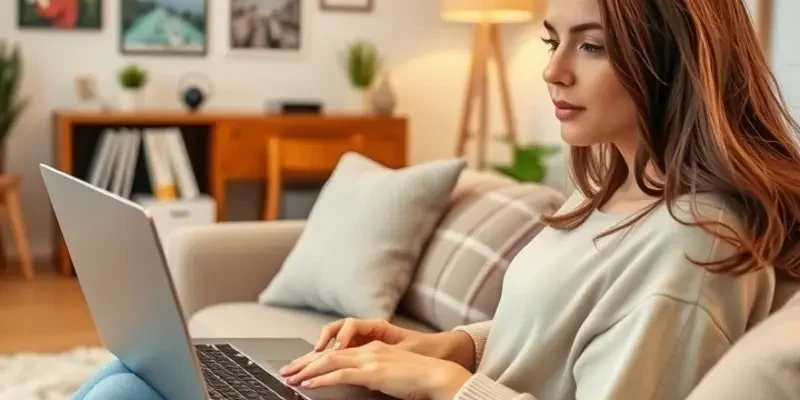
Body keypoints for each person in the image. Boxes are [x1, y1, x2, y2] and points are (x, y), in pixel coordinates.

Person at [72, 0, 800, 399]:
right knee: (136, 373)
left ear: (673, 61)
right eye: (551, 39)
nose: (550, 70)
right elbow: (553, 339)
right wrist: (450, 343)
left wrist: (447, 384)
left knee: (127, 395)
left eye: (591, 46)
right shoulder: (610, 196)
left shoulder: (695, 245)